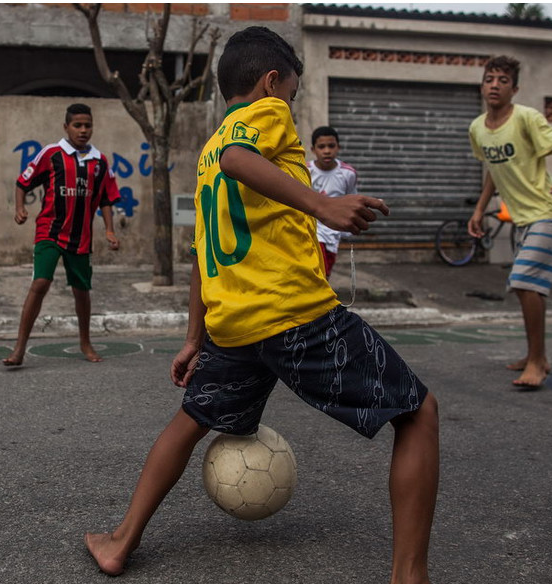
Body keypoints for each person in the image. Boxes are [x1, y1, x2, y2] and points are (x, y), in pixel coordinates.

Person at [85, 26, 439, 584]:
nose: (292, 106)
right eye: (293, 94)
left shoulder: (203, 155)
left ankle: (119, 540)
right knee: (419, 413)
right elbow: (238, 157)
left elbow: (204, 253)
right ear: (273, 82)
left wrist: (194, 339)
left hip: (234, 326)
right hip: (294, 315)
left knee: (190, 422)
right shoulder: (262, 117)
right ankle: (409, 575)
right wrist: (322, 204)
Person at [467, 55, 552, 388]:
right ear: (482, 85)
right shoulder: (477, 128)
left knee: (523, 283)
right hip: (523, 219)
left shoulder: (527, 117)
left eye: (503, 80)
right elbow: (492, 170)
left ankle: (535, 363)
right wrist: (479, 209)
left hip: (551, 211)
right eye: (490, 79)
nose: (495, 85)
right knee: (532, 290)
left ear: (514, 89)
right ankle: (538, 355)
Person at [3, 103, 121, 367]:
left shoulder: (100, 162)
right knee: (40, 283)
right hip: (50, 231)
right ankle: (19, 348)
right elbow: (23, 182)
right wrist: (20, 207)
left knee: (81, 291)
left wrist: (110, 230)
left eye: (87, 125)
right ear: (65, 127)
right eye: (77, 125)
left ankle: (85, 342)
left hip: (81, 238)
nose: (83, 130)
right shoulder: (51, 153)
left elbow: (105, 199)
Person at [308, 125, 359, 274]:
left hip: (333, 234)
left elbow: (351, 198)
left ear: (338, 147)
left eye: (331, 146)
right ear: (313, 150)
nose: (327, 151)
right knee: (317, 273)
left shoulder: (348, 174)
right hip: (312, 232)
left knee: (325, 275)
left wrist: (348, 226)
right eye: (321, 147)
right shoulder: (306, 171)